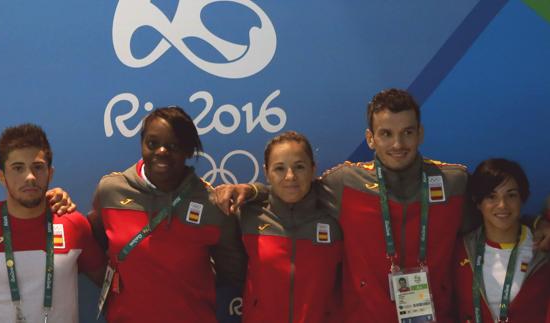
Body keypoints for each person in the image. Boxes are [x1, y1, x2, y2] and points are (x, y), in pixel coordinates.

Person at [215, 88, 550, 322]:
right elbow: (292, 188)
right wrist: (253, 190)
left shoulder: (454, 182)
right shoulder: (344, 183)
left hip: (433, 317)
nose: (398, 144)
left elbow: (497, 214)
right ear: (370, 138)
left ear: (420, 133)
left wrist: (540, 225)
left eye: (406, 133)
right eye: (386, 134)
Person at [88, 106, 246, 323]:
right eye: (152, 144)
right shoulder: (111, 191)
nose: (161, 151)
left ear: (188, 151)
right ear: (142, 144)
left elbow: (233, 273)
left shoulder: (212, 205)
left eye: (173, 146)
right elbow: (95, 240)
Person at [0, 123, 106, 323]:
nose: (30, 177)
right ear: (2, 177)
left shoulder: (74, 224)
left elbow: (109, 285)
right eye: (18, 168)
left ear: (50, 173)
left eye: (38, 167)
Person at [239, 131, 342, 323]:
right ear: (266, 172)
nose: (290, 176)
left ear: (313, 170)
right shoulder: (247, 215)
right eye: (279, 168)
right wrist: (253, 190)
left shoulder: (335, 220)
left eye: (299, 167)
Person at [454, 159, 549, 322]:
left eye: (511, 195)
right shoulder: (459, 250)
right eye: (491, 196)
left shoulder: (543, 249)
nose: (502, 205)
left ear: (522, 199)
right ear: (478, 202)